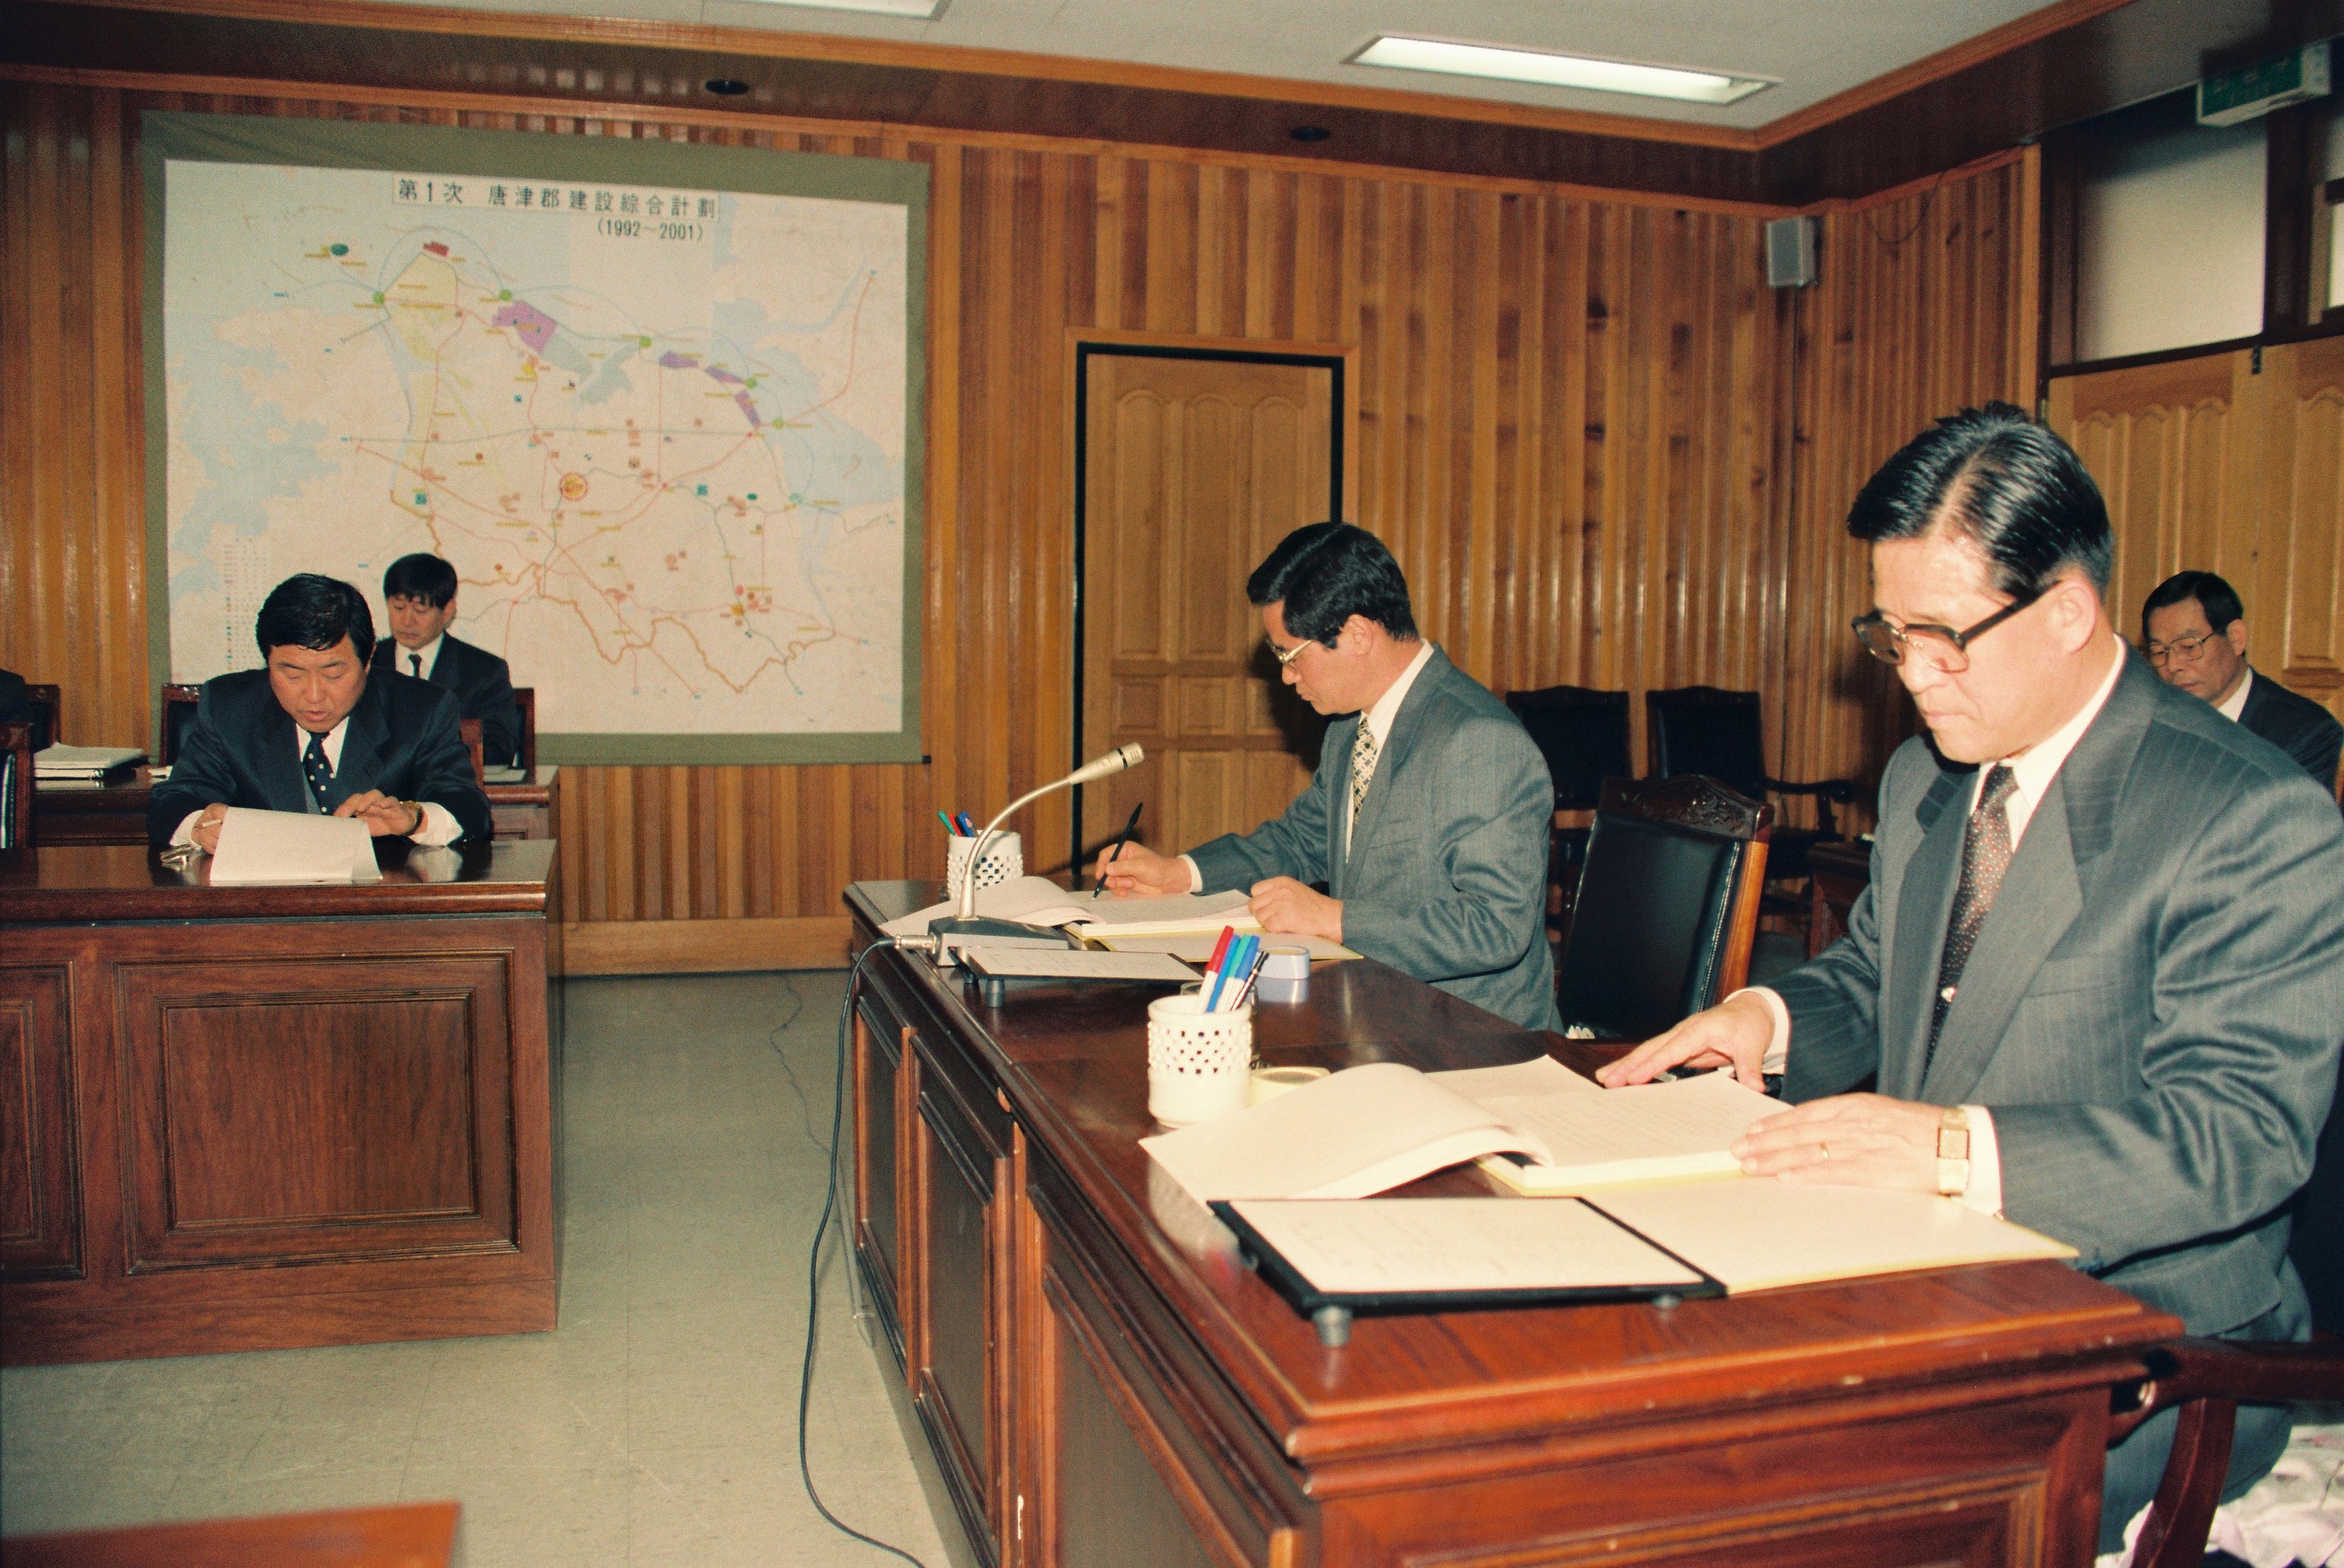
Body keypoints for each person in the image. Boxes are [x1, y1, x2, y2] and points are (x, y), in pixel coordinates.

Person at [1598, 404, 2344, 1551]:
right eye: (1890, 634)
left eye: (1943, 637)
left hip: (2153, 1338)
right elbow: (1875, 974)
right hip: (1931, 1273)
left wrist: (1953, 1150)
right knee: (1657, 1410)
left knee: (1813, 1508)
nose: (1912, 674)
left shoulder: (2244, 812)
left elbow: (2238, 1135)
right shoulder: (1927, 777)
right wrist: (1764, 1015)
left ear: (2068, 612)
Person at [1092, 523, 1560, 1033]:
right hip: (1376, 1019)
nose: (1286, 676)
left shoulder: (1478, 740)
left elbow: (1497, 927)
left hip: (1475, 1041)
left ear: (1358, 634)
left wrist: (1334, 919)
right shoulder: (1350, 729)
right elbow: (1300, 841)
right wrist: (1179, 874)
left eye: (1291, 656)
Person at [149, 573, 493, 850]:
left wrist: (414, 819)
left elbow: (468, 809)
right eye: (292, 674)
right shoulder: (229, 706)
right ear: (268, 662)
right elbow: (172, 802)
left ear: (368, 660)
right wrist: (198, 828)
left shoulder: (422, 709)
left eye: (333, 675)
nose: (313, 697)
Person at [2142, 569, 2342, 791]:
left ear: (2236, 638)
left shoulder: (2305, 732)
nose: (2172, 665)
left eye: (2189, 647)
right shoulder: (2147, 723)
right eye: (2159, 652)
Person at [370, 553, 520, 768]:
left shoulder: (484, 671)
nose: (407, 621)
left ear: (448, 611)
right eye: (398, 607)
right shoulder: (367, 663)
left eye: (420, 610)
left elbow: (498, 749)